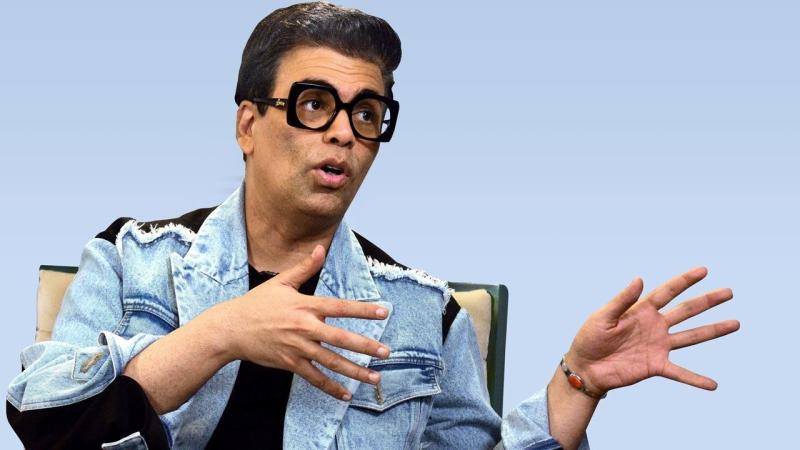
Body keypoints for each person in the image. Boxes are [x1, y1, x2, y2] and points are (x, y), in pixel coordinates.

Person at [5, 3, 740, 449]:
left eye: (366, 113)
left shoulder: (425, 313)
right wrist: (222, 334)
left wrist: (576, 384)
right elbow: (44, 424)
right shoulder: (132, 257)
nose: (343, 133)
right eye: (314, 104)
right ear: (248, 125)